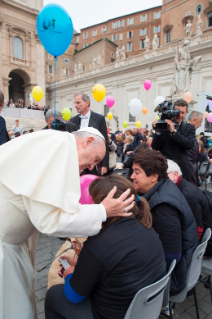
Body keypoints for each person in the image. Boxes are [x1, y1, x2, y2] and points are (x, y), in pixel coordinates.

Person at [0, 127, 134, 319]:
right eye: (95, 159)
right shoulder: (60, 147)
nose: (91, 167)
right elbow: (50, 221)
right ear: (86, 142)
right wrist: (103, 211)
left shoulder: (57, 143)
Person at [45, 175, 166, 319]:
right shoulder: (146, 227)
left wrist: (69, 274)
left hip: (110, 314)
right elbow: (116, 267)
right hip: (143, 311)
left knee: (53, 295)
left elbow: (74, 296)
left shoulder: (98, 244)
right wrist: (83, 267)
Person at [130, 148, 198, 297]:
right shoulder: (164, 186)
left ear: (153, 177)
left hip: (169, 278)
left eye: (137, 172)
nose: (132, 176)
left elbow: (172, 256)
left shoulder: (163, 208)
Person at [167, 159, 212, 256]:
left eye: (163, 176)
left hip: (204, 247)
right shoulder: (182, 186)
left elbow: (197, 230)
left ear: (175, 174)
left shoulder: (188, 195)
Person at [152, 99, 195, 179]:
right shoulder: (164, 125)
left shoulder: (190, 128)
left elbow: (189, 144)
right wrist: (157, 132)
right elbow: (155, 147)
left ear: (186, 113)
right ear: (172, 111)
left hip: (182, 169)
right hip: (165, 168)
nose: (180, 115)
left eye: (182, 112)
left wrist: (174, 132)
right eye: (177, 112)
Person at [70, 93, 109, 175]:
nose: (75, 105)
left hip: (93, 164)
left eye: (78, 102)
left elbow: (104, 142)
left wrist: (105, 165)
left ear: (87, 102)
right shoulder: (72, 120)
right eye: (75, 103)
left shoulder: (99, 119)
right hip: (77, 164)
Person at [187, 111, 203, 186]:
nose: (200, 125)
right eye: (200, 122)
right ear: (194, 120)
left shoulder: (191, 132)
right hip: (189, 173)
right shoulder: (185, 132)